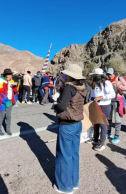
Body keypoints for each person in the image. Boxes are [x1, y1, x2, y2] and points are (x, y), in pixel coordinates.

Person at [53, 64, 87, 193]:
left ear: (71, 76)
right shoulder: (83, 88)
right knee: (73, 154)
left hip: (67, 125)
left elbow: (61, 107)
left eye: (67, 75)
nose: (65, 76)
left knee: (64, 156)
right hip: (78, 123)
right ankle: (74, 182)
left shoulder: (68, 88)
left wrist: (55, 105)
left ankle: (65, 187)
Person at [89, 68, 115, 151]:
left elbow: (112, 94)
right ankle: (95, 139)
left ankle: (102, 143)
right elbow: (92, 95)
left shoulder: (106, 83)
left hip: (104, 106)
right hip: (96, 105)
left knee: (103, 124)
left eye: (93, 76)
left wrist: (102, 97)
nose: (92, 77)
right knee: (96, 123)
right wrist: (91, 100)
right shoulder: (94, 83)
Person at [107, 68, 126, 144]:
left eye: (110, 74)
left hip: (118, 101)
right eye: (108, 74)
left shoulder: (119, 78)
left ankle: (116, 136)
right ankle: (108, 132)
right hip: (109, 101)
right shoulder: (107, 80)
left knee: (117, 119)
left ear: (113, 73)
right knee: (108, 118)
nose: (109, 76)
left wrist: (118, 86)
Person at [0, 68, 18, 136]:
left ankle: (8, 130)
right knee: (1, 116)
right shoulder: (1, 82)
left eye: (11, 75)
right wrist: (6, 102)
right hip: (2, 101)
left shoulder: (11, 81)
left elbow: (15, 91)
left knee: (8, 116)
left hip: (10, 100)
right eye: (10, 75)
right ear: (6, 76)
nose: (11, 76)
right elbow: (0, 93)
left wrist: (14, 86)